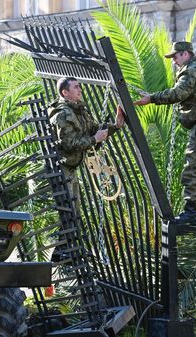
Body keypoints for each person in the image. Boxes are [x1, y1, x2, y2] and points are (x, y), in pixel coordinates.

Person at [133, 41, 196, 224]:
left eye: (175, 56)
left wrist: (151, 99)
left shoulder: (190, 69)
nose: (173, 61)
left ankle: (190, 211)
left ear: (185, 54)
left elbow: (177, 94)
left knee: (193, 165)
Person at [48, 76, 124, 262]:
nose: (80, 90)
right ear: (65, 92)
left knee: (74, 210)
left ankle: (65, 251)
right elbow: (68, 143)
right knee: (69, 210)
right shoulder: (62, 114)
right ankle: (65, 252)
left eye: (79, 87)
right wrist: (94, 140)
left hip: (71, 167)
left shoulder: (79, 110)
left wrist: (115, 126)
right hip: (61, 167)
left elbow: (94, 130)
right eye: (76, 87)